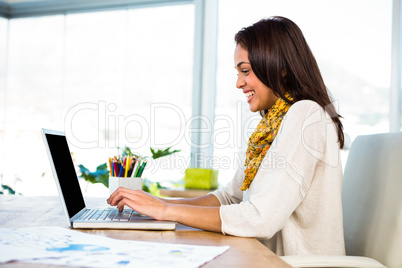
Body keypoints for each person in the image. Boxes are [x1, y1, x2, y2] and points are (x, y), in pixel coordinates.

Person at [108, 16, 346, 256]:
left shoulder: (306, 115)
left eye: (245, 71)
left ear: (281, 69)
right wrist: (160, 205)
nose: (239, 83)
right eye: (238, 72)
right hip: (260, 256)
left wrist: (166, 212)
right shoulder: (272, 124)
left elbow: (260, 217)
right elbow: (230, 197)